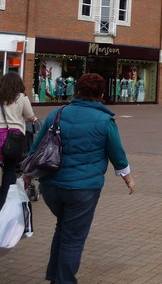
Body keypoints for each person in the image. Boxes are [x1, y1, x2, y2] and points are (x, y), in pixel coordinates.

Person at [25, 73, 135, 284]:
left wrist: (28, 174)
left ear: (78, 90)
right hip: (83, 189)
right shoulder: (105, 120)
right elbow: (117, 154)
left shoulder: (56, 114)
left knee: (62, 227)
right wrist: (128, 179)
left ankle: (54, 275)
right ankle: (64, 280)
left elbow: (36, 146)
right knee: (73, 237)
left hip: (52, 185)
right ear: (101, 94)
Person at [0, 72, 37, 209]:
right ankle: (4, 202)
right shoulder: (21, 98)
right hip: (13, 138)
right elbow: (30, 116)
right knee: (10, 169)